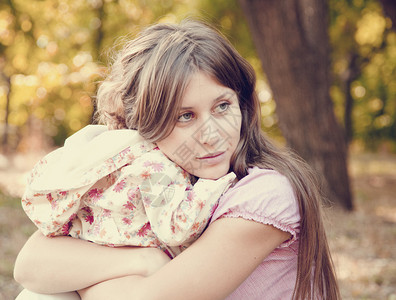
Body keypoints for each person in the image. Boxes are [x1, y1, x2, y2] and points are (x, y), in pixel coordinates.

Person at [14, 19, 341, 299]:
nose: (211, 134)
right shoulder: (151, 176)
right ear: (144, 126)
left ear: (242, 103)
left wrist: (85, 279)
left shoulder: (265, 194)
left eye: (222, 106)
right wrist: (143, 262)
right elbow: (29, 264)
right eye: (185, 116)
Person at [21, 123, 235, 258]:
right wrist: (214, 183)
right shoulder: (155, 165)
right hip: (132, 271)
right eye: (185, 116)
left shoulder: (116, 162)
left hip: (96, 260)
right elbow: (174, 227)